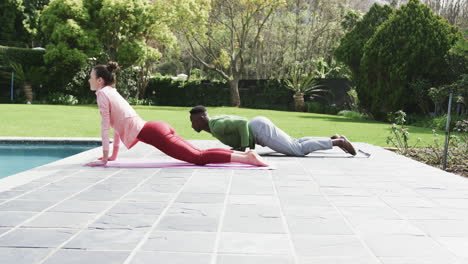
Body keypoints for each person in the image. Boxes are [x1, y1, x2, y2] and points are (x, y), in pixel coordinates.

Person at [86, 62, 268, 167]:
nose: (89, 80)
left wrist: (104, 157)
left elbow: (105, 126)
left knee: (199, 158)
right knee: (199, 153)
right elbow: (118, 126)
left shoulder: (102, 94)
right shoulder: (111, 91)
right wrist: (112, 156)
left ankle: (246, 158)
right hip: (157, 128)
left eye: (91, 77)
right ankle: (246, 156)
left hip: (154, 133)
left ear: (100, 80)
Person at [189, 105, 357, 157]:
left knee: (297, 150)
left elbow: (241, 123)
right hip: (259, 125)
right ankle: (332, 138)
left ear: (201, 119)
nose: (192, 126)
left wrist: (245, 147)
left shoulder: (216, 126)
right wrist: (241, 147)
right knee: (295, 142)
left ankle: (338, 142)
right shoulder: (215, 123)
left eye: (193, 122)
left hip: (259, 130)